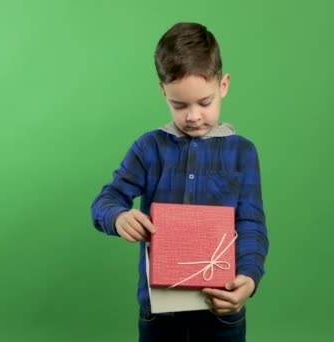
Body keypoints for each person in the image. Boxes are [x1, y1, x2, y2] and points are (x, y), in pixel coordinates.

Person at [91, 22, 269, 342]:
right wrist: (118, 217)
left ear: (223, 85)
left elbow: (252, 224)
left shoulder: (242, 152)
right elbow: (106, 200)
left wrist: (249, 278)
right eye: (179, 105)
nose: (193, 116)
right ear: (163, 91)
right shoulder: (149, 148)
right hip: (160, 312)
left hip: (220, 308)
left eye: (204, 102)